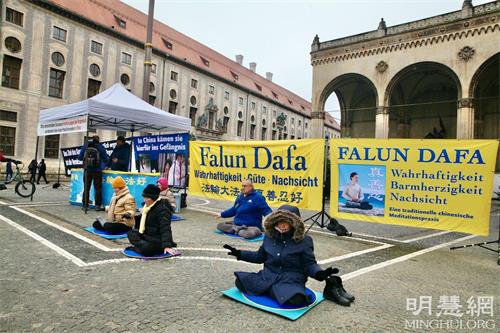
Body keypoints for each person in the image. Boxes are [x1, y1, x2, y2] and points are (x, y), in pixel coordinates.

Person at [223, 205, 349, 306]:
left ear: (294, 223)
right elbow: (259, 256)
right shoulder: (269, 236)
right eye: (279, 221)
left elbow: (309, 264)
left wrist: (319, 273)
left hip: (290, 279)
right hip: (268, 276)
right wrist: (240, 253)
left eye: (286, 222)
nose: (282, 225)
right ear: (275, 222)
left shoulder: (304, 241)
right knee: (239, 282)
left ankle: (272, 290)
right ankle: (273, 290)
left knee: (297, 300)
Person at [127, 184, 177, 256]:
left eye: (147, 198)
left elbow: (165, 228)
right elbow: (142, 220)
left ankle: (140, 247)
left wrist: (166, 246)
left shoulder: (163, 210)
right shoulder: (147, 207)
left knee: (147, 249)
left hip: (157, 239)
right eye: (144, 197)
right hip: (147, 235)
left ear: (153, 198)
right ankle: (140, 246)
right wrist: (131, 217)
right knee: (131, 233)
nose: (145, 200)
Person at [78, 135, 109, 211]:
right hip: (97, 171)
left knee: (86, 188)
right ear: (98, 140)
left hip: (87, 170)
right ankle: (97, 205)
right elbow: (106, 159)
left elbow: (79, 158)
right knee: (98, 188)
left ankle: (85, 205)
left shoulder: (86, 146)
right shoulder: (100, 147)